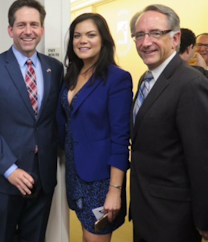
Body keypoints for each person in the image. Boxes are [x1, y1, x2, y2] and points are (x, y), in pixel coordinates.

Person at [0, 0, 64, 242]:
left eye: (34, 25)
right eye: (21, 25)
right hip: (5, 177)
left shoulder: (54, 68)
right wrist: (10, 169)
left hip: (43, 176)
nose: (28, 31)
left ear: (42, 30)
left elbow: (52, 120)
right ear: (10, 30)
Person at [130, 4, 208, 242]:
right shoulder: (146, 79)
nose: (146, 42)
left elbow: (204, 159)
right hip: (147, 210)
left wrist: (207, 220)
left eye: (156, 33)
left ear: (175, 39)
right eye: (139, 35)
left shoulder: (191, 84)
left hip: (174, 219)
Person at [56, 13, 132, 242]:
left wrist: (115, 190)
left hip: (100, 180)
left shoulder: (117, 78)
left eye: (91, 35)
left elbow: (120, 139)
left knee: (94, 238)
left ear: (104, 40)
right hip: (75, 174)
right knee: (85, 235)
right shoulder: (71, 75)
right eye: (77, 36)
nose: (82, 40)